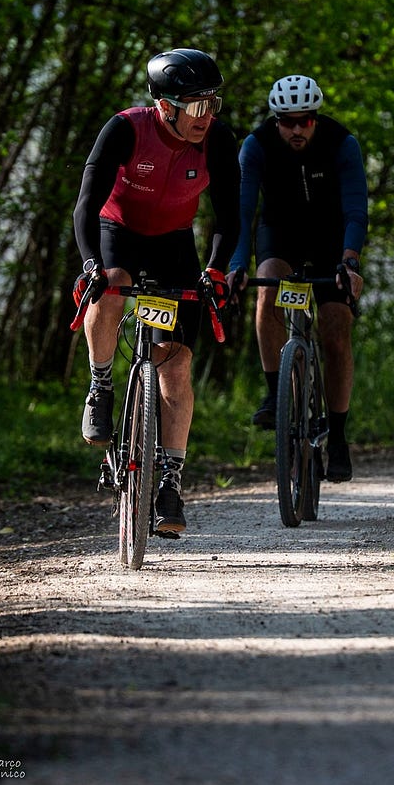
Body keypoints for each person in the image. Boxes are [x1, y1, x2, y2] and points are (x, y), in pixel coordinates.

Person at [71, 47, 239, 537]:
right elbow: (86, 204)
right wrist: (90, 264)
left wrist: (216, 269)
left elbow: (230, 215)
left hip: (173, 243)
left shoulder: (217, 139)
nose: (206, 116)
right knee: (112, 287)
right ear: (165, 106)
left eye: (213, 104)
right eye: (196, 106)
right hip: (118, 230)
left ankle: (169, 479)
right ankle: (101, 384)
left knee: (177, 363)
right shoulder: (125, 129)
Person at [226, 74, 367, 482]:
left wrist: (349, 261)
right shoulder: (256, 145)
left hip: (330, 238)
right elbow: (241, 211)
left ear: (315, 117)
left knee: (336, 330)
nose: (296, 129)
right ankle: (276, 392)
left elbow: (356, 209)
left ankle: (338, 436)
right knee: (267, 286)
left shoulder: (341, 143)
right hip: (280, 234)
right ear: (276, 120)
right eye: (287, 122)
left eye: (304, 120)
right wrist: (237, 264)